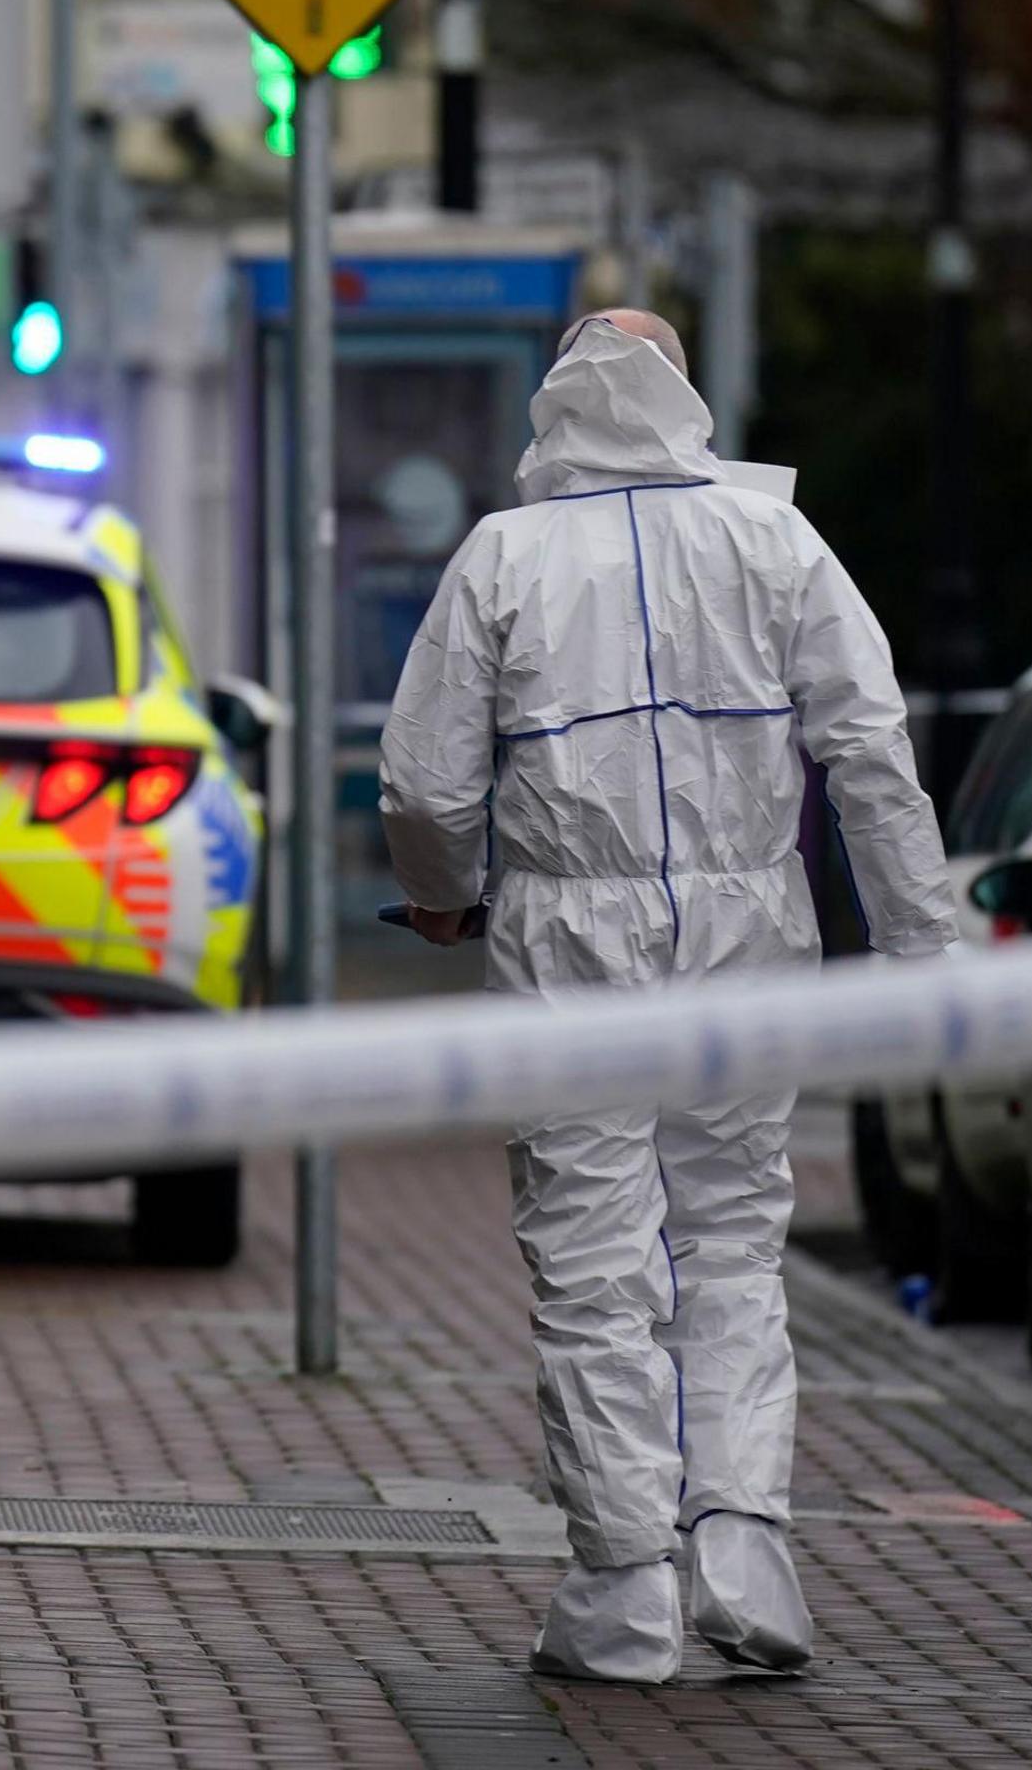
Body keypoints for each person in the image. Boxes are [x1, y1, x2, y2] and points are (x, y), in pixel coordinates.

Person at [377, 309, 957, 1683]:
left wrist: (450, 892)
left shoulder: (505, 556)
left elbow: (422, 779)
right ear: (685, 397)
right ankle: (745, 1543)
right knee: (732, 1242)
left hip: (570, 936)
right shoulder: (776, 541)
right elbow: (872, 749)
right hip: (752, 926)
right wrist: (927, 953)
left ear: (557, 406)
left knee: (590, 1263)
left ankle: (625, 1587)